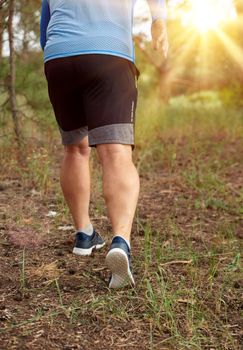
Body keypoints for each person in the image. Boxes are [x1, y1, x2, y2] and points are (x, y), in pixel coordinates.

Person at [40, 0, 168, 289]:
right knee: (115, 153)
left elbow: (43, 30)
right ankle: (120, 241)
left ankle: (84, 234)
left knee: (74, 148)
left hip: (59, 58)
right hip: (108, 53)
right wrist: (159, 20)